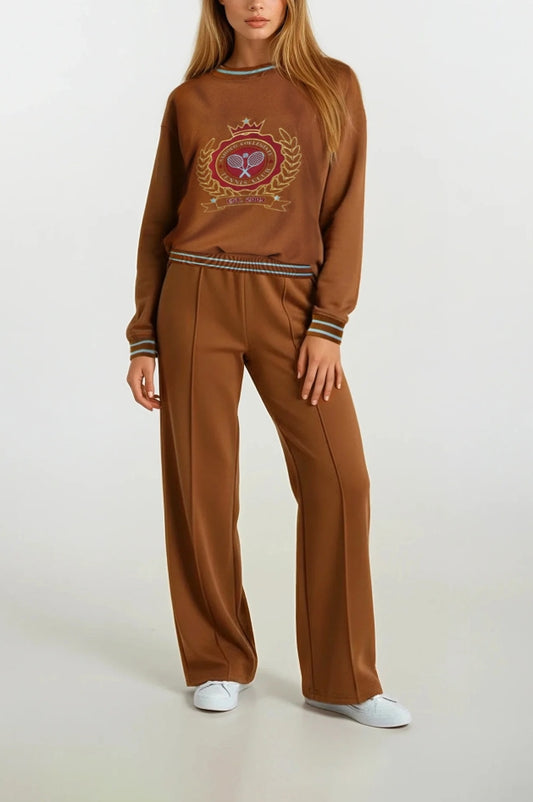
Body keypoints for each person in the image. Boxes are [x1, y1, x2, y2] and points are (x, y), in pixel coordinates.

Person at [125, 0, 411, 728]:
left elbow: (346, 208)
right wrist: (144, 335)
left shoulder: (332, 85)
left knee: (341, 479)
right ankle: (217, 660)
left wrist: (329, 324)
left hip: (293, 302)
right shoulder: (190, 100)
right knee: (202, 485)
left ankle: (342, 679)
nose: (256, 3)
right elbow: (158, 219)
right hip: (195, 295)